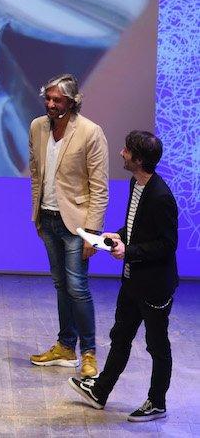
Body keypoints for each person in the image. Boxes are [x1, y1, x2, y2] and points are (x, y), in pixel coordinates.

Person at [68, 131, 178, 422]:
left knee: (157, 346)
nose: (121, 153)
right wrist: (118, 235)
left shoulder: (161, 196)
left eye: (127, 150)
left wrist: (129, 250)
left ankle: (157, 402)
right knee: (120, 337)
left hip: (154, 286)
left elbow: (167, 245)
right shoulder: (136, 183)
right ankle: (101, 391)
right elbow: (138, 227)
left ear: (139, 159)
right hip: (132, 280)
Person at [28, 74, 109, 379]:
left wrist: (93, 233)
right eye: (47, 98)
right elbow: (36, 174)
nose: (49, 104)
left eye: (56, 100)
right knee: (61, 285)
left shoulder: (90, 132)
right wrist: (36, 213)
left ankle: (89, 352)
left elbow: (99, 188)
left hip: (77, 225)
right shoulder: (37, 127)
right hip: (47, 218)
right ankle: (65, 346)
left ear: (72, 102)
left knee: (77, 287)